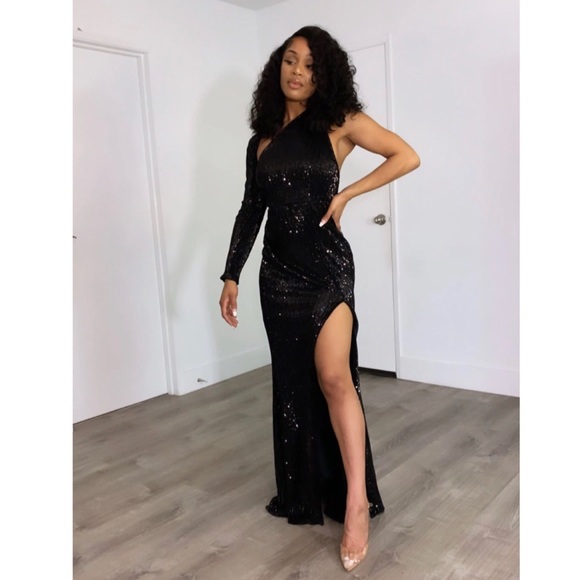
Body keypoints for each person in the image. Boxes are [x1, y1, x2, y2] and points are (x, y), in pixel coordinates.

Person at [219, 25, 420, 572]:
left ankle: (354, 503)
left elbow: (406, 155)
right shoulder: (261, 141)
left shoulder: (339, 122)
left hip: (327, 268)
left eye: (310, 65)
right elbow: (250, 209)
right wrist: (232, 273)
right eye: (290, 60)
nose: (298, 72)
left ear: (323, 74)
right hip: (276, 276)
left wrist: (349, 192)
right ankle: (305, 489)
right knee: (293, 384)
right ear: (277, 67)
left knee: (334, 378)